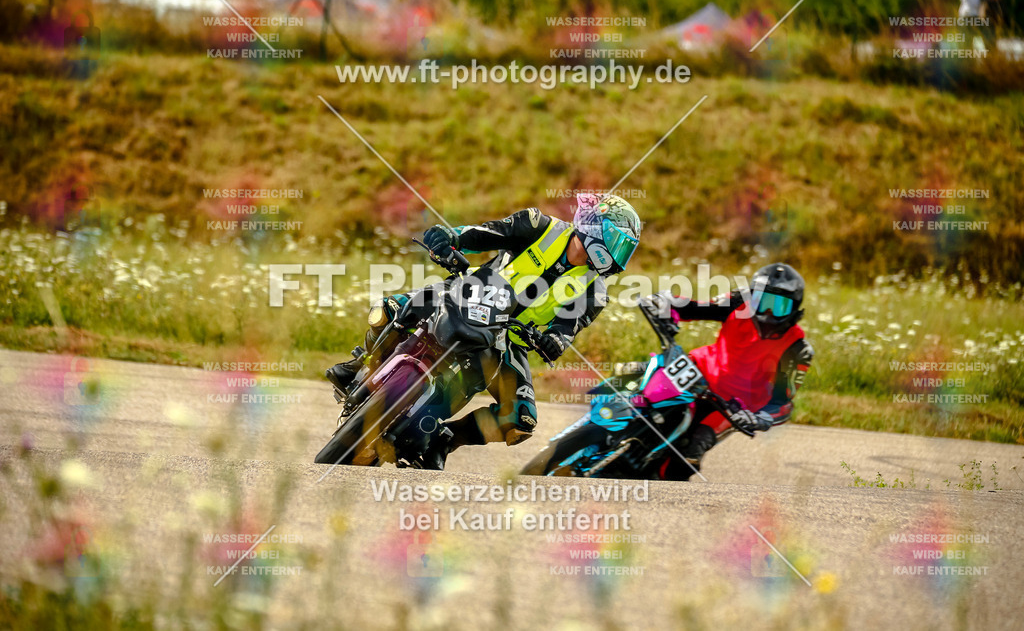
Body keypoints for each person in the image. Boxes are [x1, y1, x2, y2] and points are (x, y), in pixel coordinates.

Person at [326, 194, 642, 469]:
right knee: (388, 311)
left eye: (623, 250)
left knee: (521, 419)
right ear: (591, 228)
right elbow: (486, 233)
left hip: (510, 339)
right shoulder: (538, 225)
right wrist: (451, 238)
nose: (614, 258)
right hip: (469, 292)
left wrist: (553, 341)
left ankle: (443, 441)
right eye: (614, 243)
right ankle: (361, 365)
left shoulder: (595, 293)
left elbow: (567, 329)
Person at [645, 263, 813, 480]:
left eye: (779, 306)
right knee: (644, 398)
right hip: (697, 371)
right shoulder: (738, 302)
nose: (768, 312)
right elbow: (695, 308)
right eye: (762, 302)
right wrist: (666, 303)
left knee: (689, 455)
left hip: (733, 407)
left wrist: (760, 418)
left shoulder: (798, 349)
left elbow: (782, 403)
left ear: (795, 310)